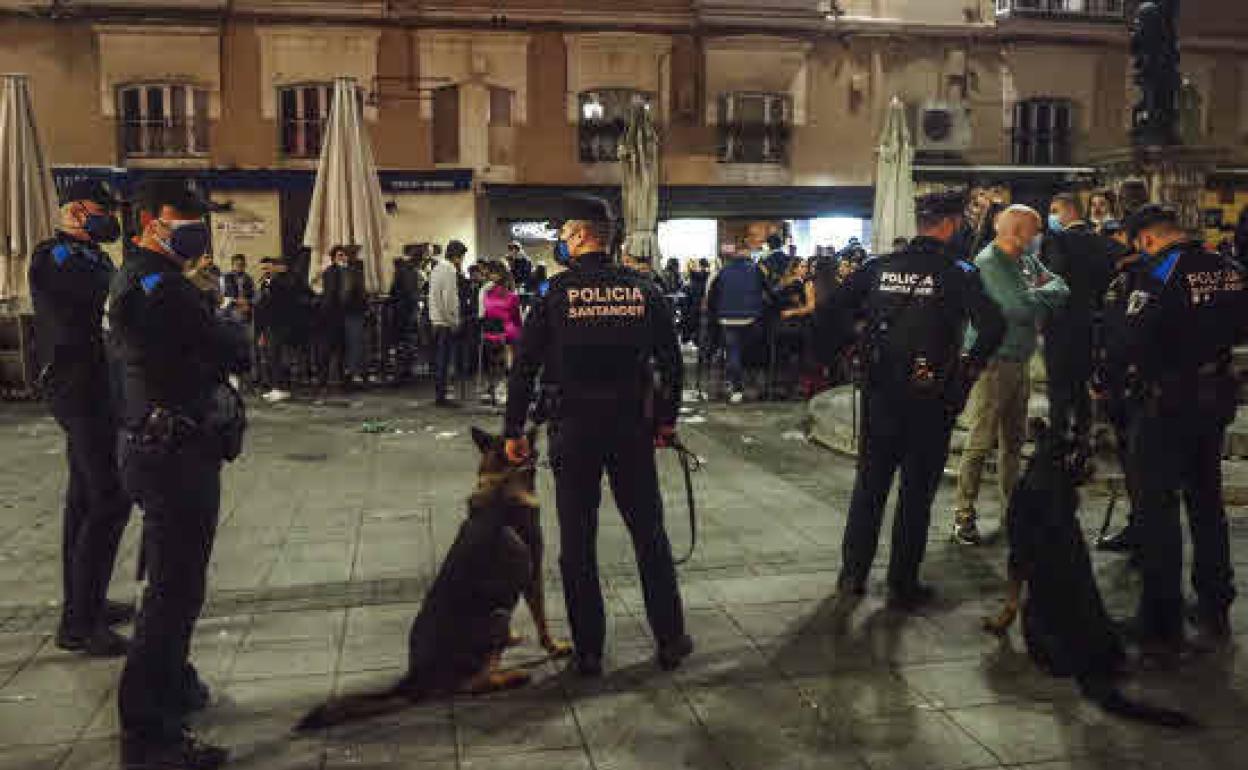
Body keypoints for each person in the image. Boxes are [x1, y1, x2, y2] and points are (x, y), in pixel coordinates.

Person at [502, 204, 692, 677]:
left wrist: (513, 430)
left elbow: (524, 365)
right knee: (649, 534)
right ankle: (670, 639)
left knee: (578, 542)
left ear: (583, 235)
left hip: (575, 429)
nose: (560, 242)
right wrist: (666, 421)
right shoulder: (644, 290)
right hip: (631, 427)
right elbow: (672, 363)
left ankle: (589, 651)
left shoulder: (556, 293)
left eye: (563, 232)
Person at [108, 179, 250, 770]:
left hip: (152, 445)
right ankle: (148, 735)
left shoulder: (138, 278)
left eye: (198, 216)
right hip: (174, 451)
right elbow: (232, 351)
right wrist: (229, 321)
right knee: (173, 591)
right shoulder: (162, 286)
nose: (195, 226)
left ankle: (172, 688)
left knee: (171, 582)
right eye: (182, 217)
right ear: (148, 221)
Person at [822, 191, 1006, 608]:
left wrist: (852, 348)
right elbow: (993, 325)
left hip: (880, 392)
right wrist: (966, 372)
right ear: (950, 224)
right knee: (916, 493)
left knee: (870, 485)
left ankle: (853, 575)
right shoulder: (958, 271)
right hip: (931, 396)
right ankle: (902, 583)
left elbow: (830, 312)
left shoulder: (879, 266)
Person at [1117, 205, 1246, 660]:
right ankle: (1215, 601)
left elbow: (1132, 337)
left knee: (1157, 507)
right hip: (1214, 398)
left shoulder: (1156, 273)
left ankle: (1161, 616)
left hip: (1165, 402)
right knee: (1206, 501)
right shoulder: (1228, 267)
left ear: (1146, 239)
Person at [28, 179, 133, 657]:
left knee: (84, 498)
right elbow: (101, 298)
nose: (108, 217)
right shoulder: (57, 255)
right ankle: (79, 623)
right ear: (74, 211)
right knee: (108, 498)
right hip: (76, 384)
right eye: (100, 209)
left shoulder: (92, 255)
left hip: (96, 382)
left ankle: (84, 601)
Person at [953, 205, 1069, 546]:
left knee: (1014, 442)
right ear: (1017, 232)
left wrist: (1035, 298)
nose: (1038, 239)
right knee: (980, 440)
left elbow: (1061, 288)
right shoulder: (989, 263)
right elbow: (1015, 309)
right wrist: (1038, 299)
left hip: (1019, 359)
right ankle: (964, 514)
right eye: (1034, 232)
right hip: (993, 364)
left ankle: (1011, 510)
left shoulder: (1026, 261)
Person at [1042, 192, 1114, 458]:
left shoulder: (1056, 241)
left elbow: (1051, 281)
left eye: (1054, 210)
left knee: (1058, 386)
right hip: (1089, 323)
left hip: (1059, 325)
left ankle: (1057, 441)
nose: (1051, 216)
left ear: (1069, 212)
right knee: (1082, 383)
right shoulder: (1100, 242)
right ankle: (1083, 437)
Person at [1091, 220, 1145, 554]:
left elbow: (1116, 333)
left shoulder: (1130, 278)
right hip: (1197, 390)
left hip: (1135, 387)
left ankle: (1144, 535)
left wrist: (1103, 379)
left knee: (1139, 466)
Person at [707, 250, 767, 403]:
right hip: (750, 318)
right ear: (748, 259)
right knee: (751, 350)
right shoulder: (755, 270)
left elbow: (712, 297)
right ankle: (753, 387)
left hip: (727, 318)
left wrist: (716, 315)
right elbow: (768, 291)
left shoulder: (722, 272)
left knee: (733, 352)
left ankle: (737, 388)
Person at [255, 257, 303, 402]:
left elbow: (281, 303)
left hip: (281, 325)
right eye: (263, 268)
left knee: (279, 357)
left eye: (268, 268)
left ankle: (282, 388)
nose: (266, 271)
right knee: (272, 357)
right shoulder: (265, 284)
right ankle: (276, 387)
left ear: (275, 268)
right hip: (269, 325)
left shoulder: (283, 283)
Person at [429, 240, 466, 406]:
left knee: (439, 360)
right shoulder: (450, 270)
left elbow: (434, 296)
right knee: (445, 361)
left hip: (435, 320)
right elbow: (449, 298)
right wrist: (453, 320)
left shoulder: (436, 268)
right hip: (445, 322)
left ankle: (439, 394)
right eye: (462, 257)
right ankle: (442, 396)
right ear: (457, 256)